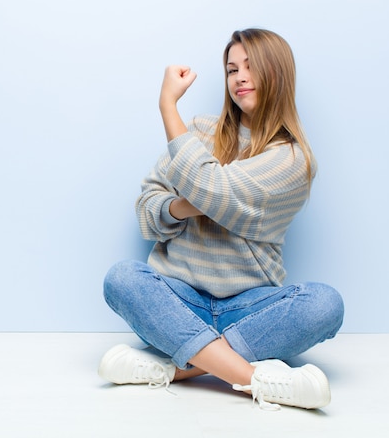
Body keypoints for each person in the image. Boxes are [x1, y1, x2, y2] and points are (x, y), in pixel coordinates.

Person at [98, 28, 344, 411]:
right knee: (121, 279)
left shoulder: (292, 160)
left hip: (248, 307)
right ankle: (257, 380)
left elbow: (209, 187)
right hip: (180, 301)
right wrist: (185, 206)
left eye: (252, 67)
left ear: (279, 74)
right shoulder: (197, 131)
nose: (240, 77)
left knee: (326, 305)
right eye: (232, 69)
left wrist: (167, 106)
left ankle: (175, 368)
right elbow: (149, 211)